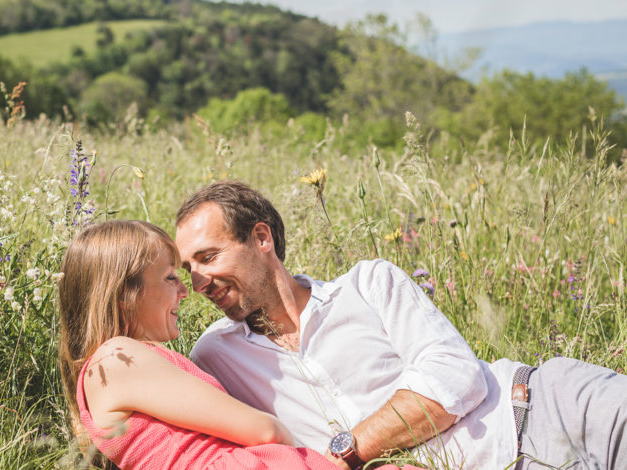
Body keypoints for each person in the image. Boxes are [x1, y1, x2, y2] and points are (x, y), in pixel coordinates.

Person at [174, 180, 627, 470]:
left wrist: (346, 455)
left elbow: (456, 377)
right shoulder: (215, 357)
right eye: (187, 267)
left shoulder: (369, 283)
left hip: (543, 408)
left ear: (261, 238)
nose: (197, 281)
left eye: (208, 258)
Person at [58, 220, 399, 470]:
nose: (185, 289)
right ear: (124, 295)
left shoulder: (116, 364)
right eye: (170, 277)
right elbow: (265, 430)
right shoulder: (117, 359)